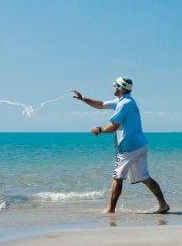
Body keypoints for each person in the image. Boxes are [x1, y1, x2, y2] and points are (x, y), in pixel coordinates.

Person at [72, 77, 170, 214]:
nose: (113, 88)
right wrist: (83, 99)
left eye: (114, 86)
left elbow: (114, 126)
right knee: (144, 177)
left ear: (119, 88)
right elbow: (101, 104)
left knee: (117, 178)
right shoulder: (124, 101)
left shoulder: (124, 104)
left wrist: (99, 130)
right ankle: (163, 205)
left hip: (128, 147)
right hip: (140, 145)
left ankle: (110, 210)